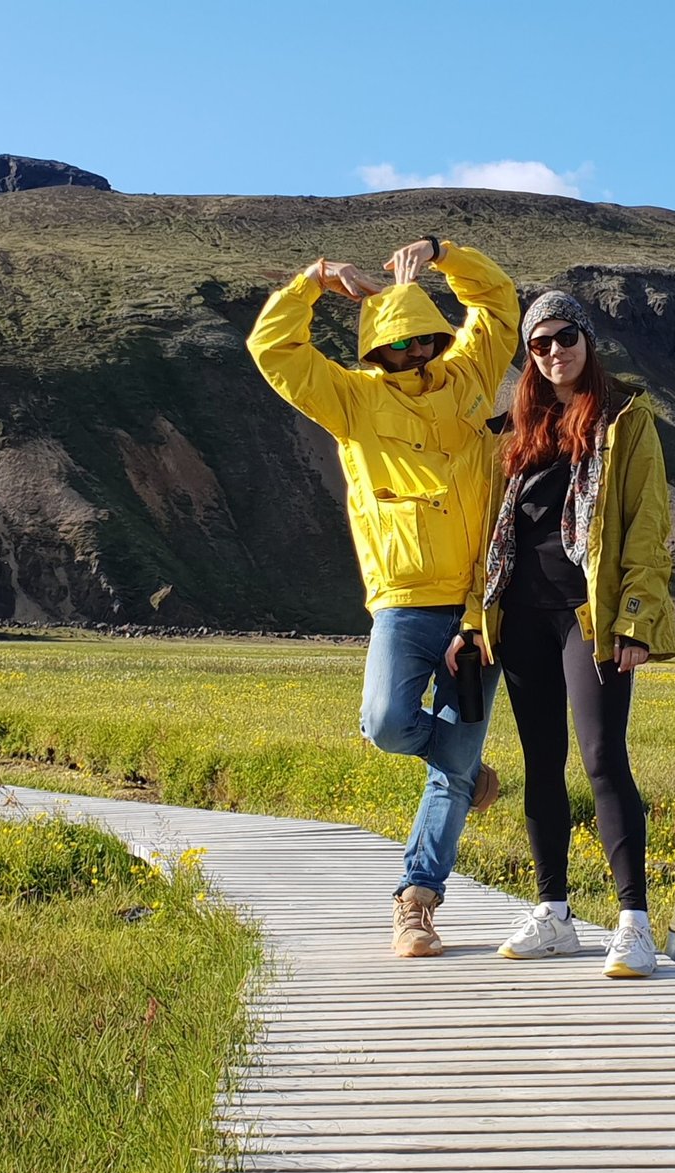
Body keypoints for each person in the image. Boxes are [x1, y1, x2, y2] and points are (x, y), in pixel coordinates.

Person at [247, 237, 518, 959]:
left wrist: (446, 253)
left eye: (420, 340)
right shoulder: (352, 399)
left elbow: (497, 304)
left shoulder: (468, 376)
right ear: (374, 349)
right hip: (402, 600)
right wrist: (312, 281)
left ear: (433, 335)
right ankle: (467, 770)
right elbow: (273, 351)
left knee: (448, 766)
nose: (412, 354)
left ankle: (416, 901)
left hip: (477, 606)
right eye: (396, 344)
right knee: (386, 723)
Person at [447, 291, 675, 978]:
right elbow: (490, 540)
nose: (554, 351)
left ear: (587, 339)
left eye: (565, 335)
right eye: (540, 342)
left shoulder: (625, 421)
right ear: (529, 356)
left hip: (590, 617)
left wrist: (635, 620)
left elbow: (646, 526)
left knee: (604, 757)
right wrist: (472, 621)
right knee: (540, 763)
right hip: (521, 618)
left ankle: (634, 923)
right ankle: (554, 914)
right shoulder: (512, 436)